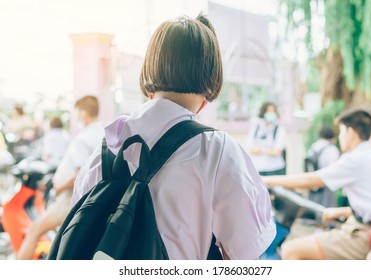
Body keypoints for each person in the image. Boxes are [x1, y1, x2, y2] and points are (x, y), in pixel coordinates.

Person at [71, 13, 276, 260]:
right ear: (210, 80)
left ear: (149, 72)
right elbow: (245, 250)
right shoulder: (215, 150)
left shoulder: (104, 152)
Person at [263, 108, 371, 260]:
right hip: (368, 225)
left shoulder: (355, 159)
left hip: (365, 232)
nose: (340, 137)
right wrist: (343, 211)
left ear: (351, 133)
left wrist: (266, 180)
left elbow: (311, 180)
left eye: (341, 131)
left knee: (291, 250)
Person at [16, 95, 104, 260]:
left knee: (35, 229)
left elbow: (80, 173)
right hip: (92, 200)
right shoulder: (104, 133)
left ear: (84, 113)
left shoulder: (83, 138)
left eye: (77, 112)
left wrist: (59, 188)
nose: (76, 116)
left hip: (70, 199)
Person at [247, 102, 287, 176]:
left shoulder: (278, 129)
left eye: (273, 112)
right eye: (268, 111)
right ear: (263, 112)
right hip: (258, 168)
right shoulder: (256, 128)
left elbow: (277, 152)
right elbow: (250, 148)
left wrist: (260, 150)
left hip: (275, 169)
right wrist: (268, 151)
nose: (271, 114)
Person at [305, 125, 340, 207]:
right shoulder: (331, 149)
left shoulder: (313, 148)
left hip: (312, 186)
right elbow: (334, 170)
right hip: (326, 185)